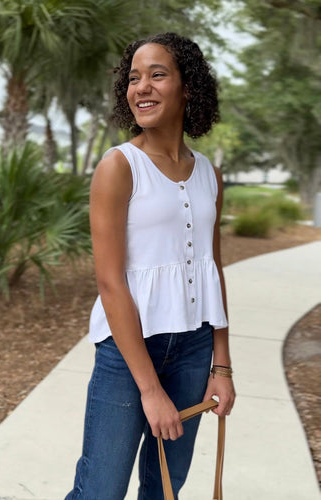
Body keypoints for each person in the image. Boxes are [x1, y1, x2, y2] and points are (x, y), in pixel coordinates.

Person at [66, 32, 235, 500]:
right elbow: (109, 281)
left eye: (158, 74)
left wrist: (222, 365)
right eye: (134, 78)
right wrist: (149, 389)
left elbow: (212, 268)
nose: (142, 87)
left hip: (195, 346)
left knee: (165, 487)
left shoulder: (208, 173)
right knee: (101, 489)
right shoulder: (119, 166)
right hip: (127, 352)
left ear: (188, 86)